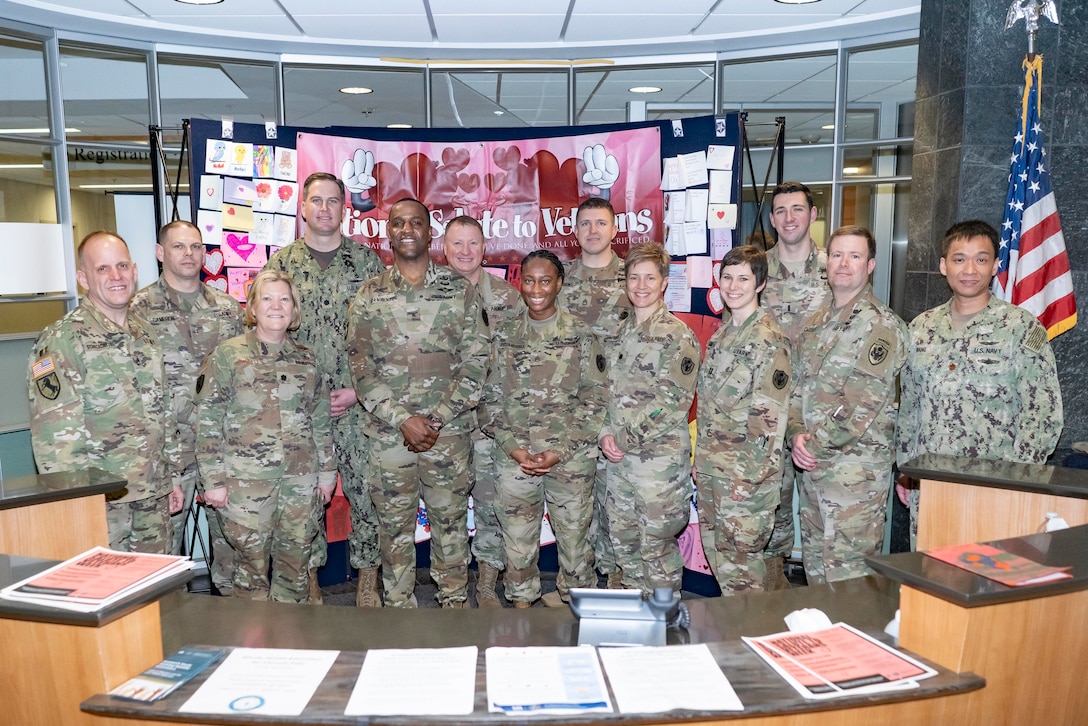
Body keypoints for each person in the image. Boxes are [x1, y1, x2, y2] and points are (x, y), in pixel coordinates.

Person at [347, 198, 489, 608]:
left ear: (430, 233)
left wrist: (436, 419)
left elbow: (477, 361)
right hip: (391, 438)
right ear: (387, 232)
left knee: (450, 528)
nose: (407, 229)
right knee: (394, 532)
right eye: (398, 223)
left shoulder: (459, 291)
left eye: (416, 223)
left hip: (448, 435)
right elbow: (360, 367)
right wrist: (404, 420)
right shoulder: (368, 295)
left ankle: (454, 608)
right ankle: (399, 615)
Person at [896, 220, 1063, 545]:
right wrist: (906, 469)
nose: (969, 269)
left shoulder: (1020, 329)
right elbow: (910, 408)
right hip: (932, 486)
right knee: (930, 578)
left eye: (981, 259)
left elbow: (1043, 416)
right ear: (943, 266)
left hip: (995, 490)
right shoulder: (921, 328)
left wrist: (1014, 481)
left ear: (996, 265)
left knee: (986, 583)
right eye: (959, 259)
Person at [265, 172, 385, 605]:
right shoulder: (281, 265)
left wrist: (359, 389)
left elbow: (382, 335)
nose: (324, 209)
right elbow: (267, 334)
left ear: (344, 208)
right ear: (303, 207)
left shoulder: (367, 263)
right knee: (305, 497)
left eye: (333, 201)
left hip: (356, 405)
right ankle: (310, 581)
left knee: (367, 493)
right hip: (300, 409)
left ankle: (368, 577)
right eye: (316, 200)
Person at [28, 231, 182, 552]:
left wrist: (172, 478)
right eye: (103, 269)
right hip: (103, 502)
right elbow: (56, 441)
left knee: (155, 595)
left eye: (122, 266)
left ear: (135, 271)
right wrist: (75, 504)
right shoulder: (62, 340)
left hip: (152, 496)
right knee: (106, 593)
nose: (116, 276)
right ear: (83, 278)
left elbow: (164, 414)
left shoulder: (146, 333)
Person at [195, 270, 336, 602]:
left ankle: (290, 643)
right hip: (247, 486)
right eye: (267, 298)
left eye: (284, 299)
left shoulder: (307, 357)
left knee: (295, 567)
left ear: (294, 309)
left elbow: (320, 420)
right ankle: (252, 649)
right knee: (250, 572)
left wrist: (327, 473)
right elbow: (208, 418)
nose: (276, 306)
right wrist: (213, 479)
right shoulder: (228, 355)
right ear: (253, 308)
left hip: (300, 485)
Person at [482, 250, 608, 608]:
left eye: (545, 280)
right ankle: (521, 605)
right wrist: (513, 448)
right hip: (515, 457)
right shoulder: (504, 336)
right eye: (529, 280)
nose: (536, 289)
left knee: (574, 541)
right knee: (518, 542)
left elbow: (595, 399)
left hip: (569, 459)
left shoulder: (581, 335)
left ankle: (576, 603)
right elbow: (488, 400)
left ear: (559, 285)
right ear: (520, 283)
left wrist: (560, 451)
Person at [788, 225, 907, 584]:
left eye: (854, 256)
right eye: (837, 255)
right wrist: (795, 433)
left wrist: (814, 446)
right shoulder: (815, 321)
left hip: (852, 478)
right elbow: (796, 387)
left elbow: (860, 402)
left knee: (849, 581)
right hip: (811, 471)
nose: (843, 263)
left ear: (870, 265)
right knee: (815, 575)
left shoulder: (881, 326)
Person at [130, 220, 244, 591]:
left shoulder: (227, 309)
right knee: (162, 551)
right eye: (179, 247)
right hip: (167, 449)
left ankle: (237, 627)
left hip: (222, 446)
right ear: (160, 253)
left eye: (196, 246)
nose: (189, 254)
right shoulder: (136, 311)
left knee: (232, 547)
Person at [599, 242, 699, 597]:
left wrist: (621, 438)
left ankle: (665, 627)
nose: (641, 285)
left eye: (649, 278)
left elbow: (672, 402)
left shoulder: (678, 336)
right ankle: (637, 633)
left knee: (656, 550)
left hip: (658, 466)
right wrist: (605, 433)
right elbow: (603, 391)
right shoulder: (617, 333)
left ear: (663, 283)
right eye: (634, 277)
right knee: (624, 545)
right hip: (619, 463)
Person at [695, 245, 792, 594]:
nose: (733, 286)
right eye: (727, 277)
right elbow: (708, 408)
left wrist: (746, 480)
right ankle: (729, 639)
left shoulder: (769, 339)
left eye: (743, 278)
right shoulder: (723, 335)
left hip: (745, 480)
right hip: (712, 472)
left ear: (760, 283)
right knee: (723, 569)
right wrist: (700, 461)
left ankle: (746, 642)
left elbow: (768, 421)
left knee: (744, 577)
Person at [442, 215, 523, 608]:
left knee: (492, 505)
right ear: (444, 248)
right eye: (457, 243)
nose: (464, 251)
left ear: (484, 246)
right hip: (448, 422)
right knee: (450, 507)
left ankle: (488, 582)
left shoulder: (509, 297)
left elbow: (524, 359)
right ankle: (453, 587)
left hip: (492, 422)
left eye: (472, 243)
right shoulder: (431, 295)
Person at [559, 196, 632, 590]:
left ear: (614, 229)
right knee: (575, 507)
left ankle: (617, 578)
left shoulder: (633, 280)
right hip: (572, 412)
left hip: (620, 411)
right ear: (574, 230)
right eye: (584, 223)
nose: (592, 230)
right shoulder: (560, 280)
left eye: (600, 223)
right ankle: (577, 584)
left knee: (617, 503)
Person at [760, 181, 829, 589]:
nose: (789, 218)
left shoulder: (833, 267)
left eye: (797, 210)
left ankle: (828, 597)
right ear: (772, 220)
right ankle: (774, 584)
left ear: (812, 215)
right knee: (772, 502)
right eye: (782, 211)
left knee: (823, 506)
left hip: (820, 409)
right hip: (769, 408)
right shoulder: (757, 271)